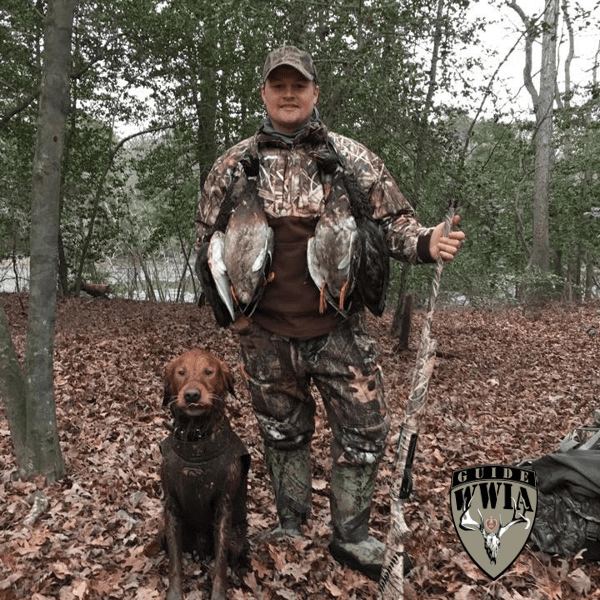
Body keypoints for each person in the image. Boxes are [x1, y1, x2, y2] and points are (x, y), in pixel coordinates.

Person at [195, 45, 465, 580]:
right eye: (279, 86)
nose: (289, 94)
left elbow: (394, 224)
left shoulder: (351, 158)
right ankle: (291, 526)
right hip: (264, 337)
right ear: (265, 94)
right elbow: (208, 244)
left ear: (315, 92)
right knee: (282, 434)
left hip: (340, 332)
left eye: (299, 85)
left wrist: (427, 243)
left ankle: (352, 535)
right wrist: (232, 318)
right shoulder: (235, 165)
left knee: (365, 433)